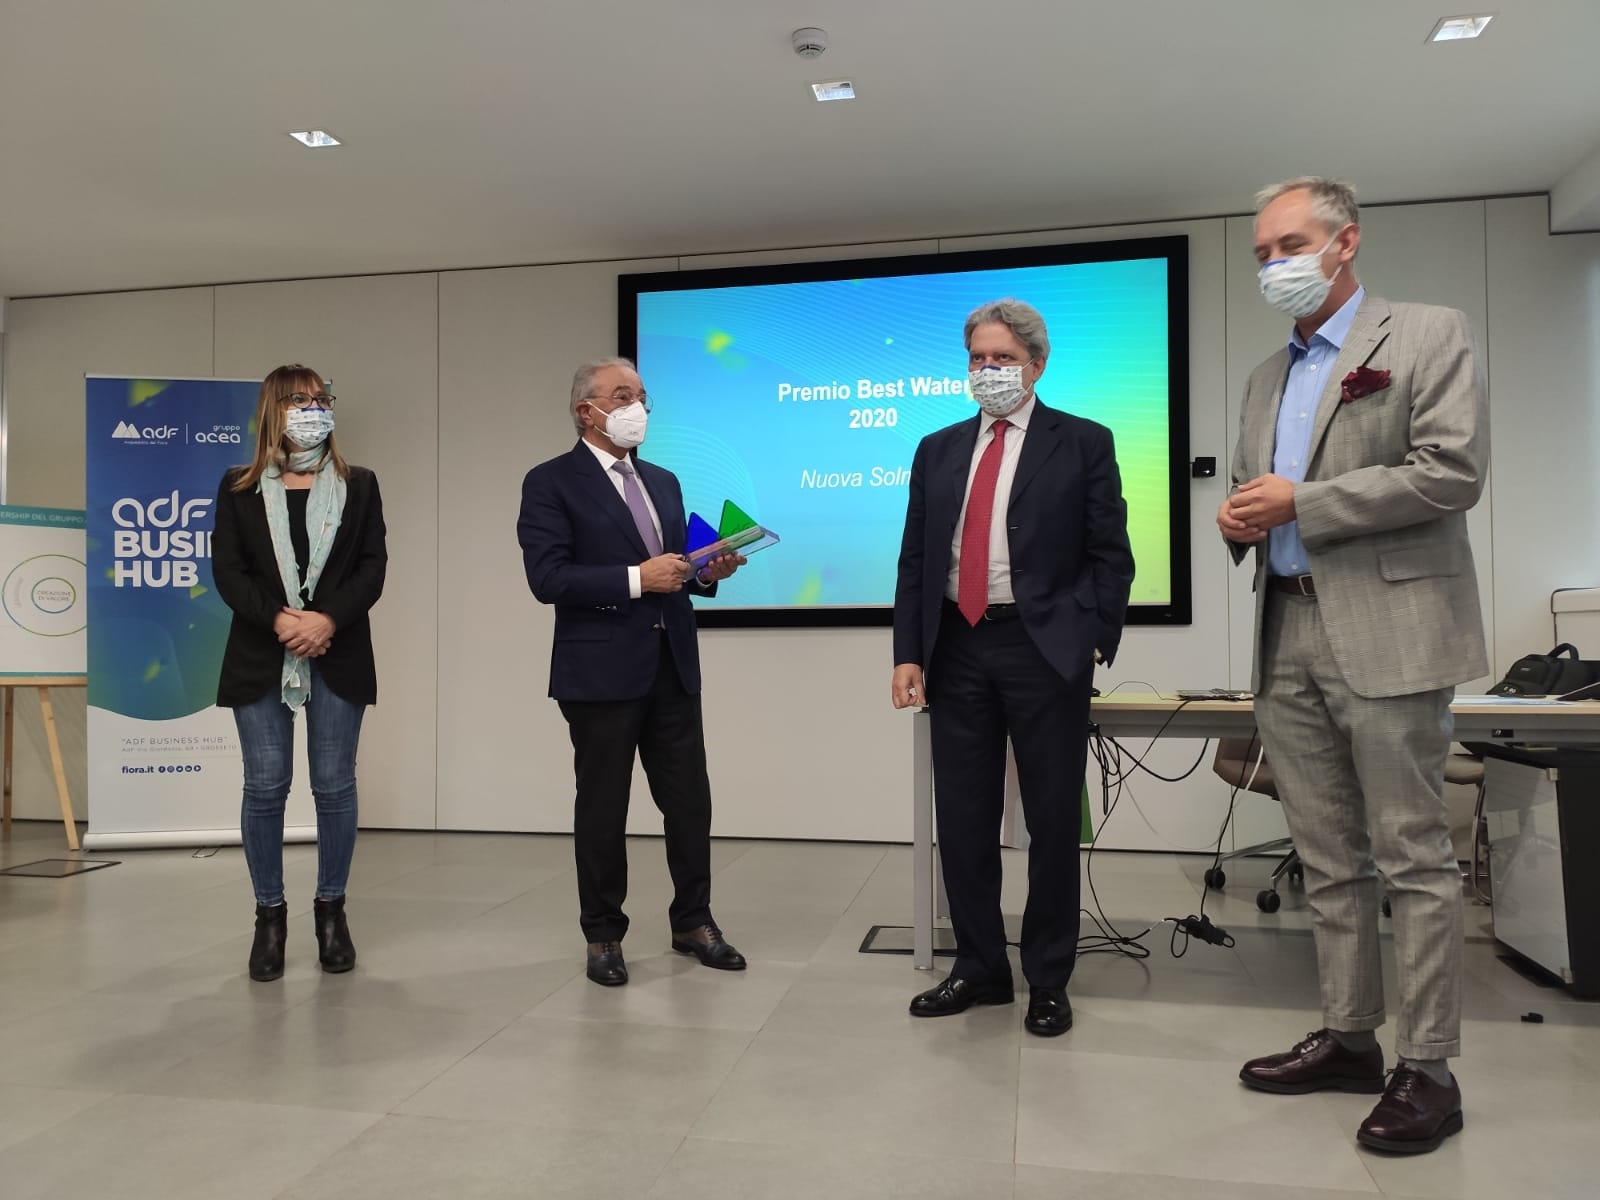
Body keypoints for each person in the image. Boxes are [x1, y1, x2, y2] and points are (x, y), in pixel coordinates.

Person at [1221, 177, 1487, 1154]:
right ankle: (1348, 1038)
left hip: (1391, 628)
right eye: (1261, 253)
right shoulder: (1265, 376)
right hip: (1284, 627)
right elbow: (1258, 488)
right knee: (1329, 855)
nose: (1273, 265)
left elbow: (1451, 471)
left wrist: (1303, 503)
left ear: (1345, 243)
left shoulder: (1425, 333)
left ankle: (1429, 1067)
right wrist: (1239, 518)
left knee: (1413, 858)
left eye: (1289, 245)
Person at [891, 299, 1134, 1037]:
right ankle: (980, 968)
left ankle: (1049, 978)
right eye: (977, 358)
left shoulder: (1083, 441)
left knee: (1052, 819)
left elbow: (1110, 553)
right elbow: (915, 558)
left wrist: (1092, 638)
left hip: (1044, 648)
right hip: (957, 645)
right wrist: (907, 651)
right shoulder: (936, 449)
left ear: (1037, 365)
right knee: (963, 818)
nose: (987, 370)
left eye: (1001, 358)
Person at [517, 357, 747, 987]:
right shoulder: (550, 482)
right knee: (603, 807)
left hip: (672, 664)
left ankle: (693, 921)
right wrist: (635, 579)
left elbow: (675, 570)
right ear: (585, 410)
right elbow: (548, 578)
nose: (636, 407)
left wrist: (706, 571)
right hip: (599, 671)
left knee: (689, 802)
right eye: (622, 396)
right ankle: (602, 934)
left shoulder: (663, 481)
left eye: (642, 395)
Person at [211, 365, 387, 983]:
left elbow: (372, 568)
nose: (313, 409)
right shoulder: (237, 486)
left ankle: (331, 912)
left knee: (334, 785)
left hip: (339, 649)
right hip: (261, 652)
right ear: (273, 410)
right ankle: (270, 917)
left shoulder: (359, 484)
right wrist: (283, 621)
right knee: (265, 786)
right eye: (298, 400)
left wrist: (325, 620)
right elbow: (229, 572)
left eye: (320, 399)